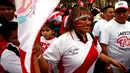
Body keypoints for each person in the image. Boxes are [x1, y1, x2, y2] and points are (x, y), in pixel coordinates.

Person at [34, 6, 128, 73]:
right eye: (83, 19)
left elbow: (98, 52)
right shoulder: (62, 41)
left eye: (89, 19)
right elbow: (46, 69)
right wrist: (39, 56)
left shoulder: (90, 36)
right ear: (73, 22)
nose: (88, 23)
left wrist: (112, 61)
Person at [100, 1, 130, 73]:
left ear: (128, 12)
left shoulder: (129, 24)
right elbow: (103, 47)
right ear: (114, 13)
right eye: (118, 12)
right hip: (115, 67)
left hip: (129, 65)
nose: (121, 15)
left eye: (124, 12)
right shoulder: (108, 27)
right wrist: (107, 65)